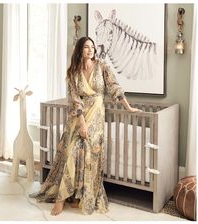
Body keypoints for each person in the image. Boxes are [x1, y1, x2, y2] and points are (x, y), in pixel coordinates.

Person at [29, 36, 141, 216]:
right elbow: (74, 98)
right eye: (86, 47)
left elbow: (114, 87)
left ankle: (80, 195)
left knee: (88, 153)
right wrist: (81, 123)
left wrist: (128, 107)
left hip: (96, 115)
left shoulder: (102, 66)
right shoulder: (73, 72)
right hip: (79, 116)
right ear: (80, 50)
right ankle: (61, 198)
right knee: (72, 150)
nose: (90, 50)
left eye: (92, 47)